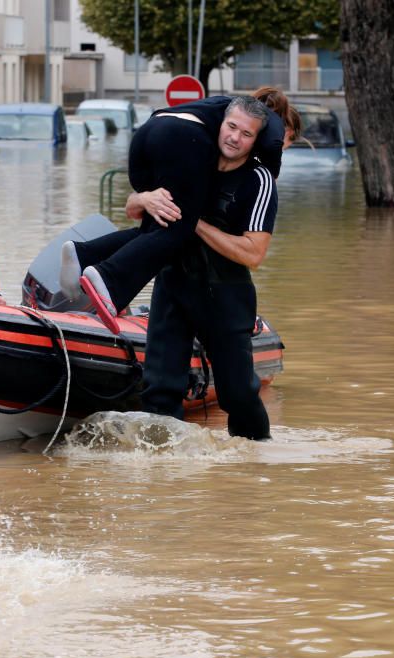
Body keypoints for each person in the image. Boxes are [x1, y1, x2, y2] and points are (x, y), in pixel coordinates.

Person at [59, 88, 296, 335]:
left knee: (159, 224)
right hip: (181, 138)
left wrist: (144, 198)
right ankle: (108, 279)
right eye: (289, 142)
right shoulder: (268, 122)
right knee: (180, 225)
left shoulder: (223, 107)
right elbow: (273, 146)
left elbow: (136, 210)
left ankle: (84, 254)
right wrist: (272, 177)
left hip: (148, 133)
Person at [141, 96, 280, 440]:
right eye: (231, 127)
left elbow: (253, 253)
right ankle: (164, 475)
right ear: (220, 124)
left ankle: (252, 464)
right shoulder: (188, 158)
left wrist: (194, 223)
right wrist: (143, 199)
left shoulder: (259, 180)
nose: (235, 137)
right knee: (159, 388)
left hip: (225, 291)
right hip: (172, 283)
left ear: (255, 140)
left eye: (246, 134)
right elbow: (134, 211)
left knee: (238, 394)